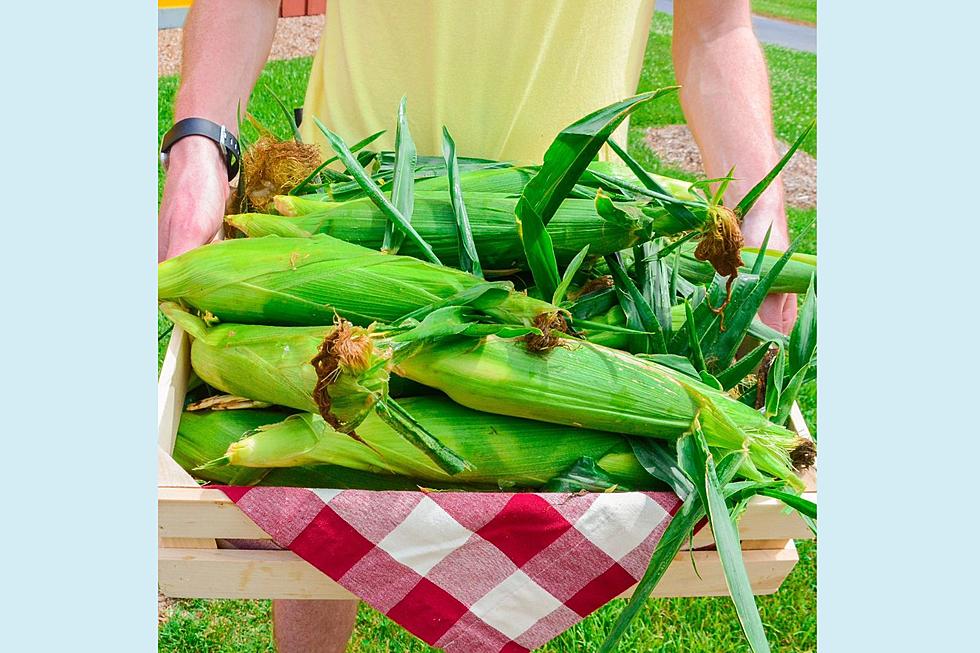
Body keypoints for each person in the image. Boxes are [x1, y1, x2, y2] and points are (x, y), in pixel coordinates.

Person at [158, 1, 797, 650]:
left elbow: (716, 25)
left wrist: (761, 202)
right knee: (315, 518)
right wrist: (199, 147)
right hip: (343, 216)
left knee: (514, 562)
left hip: (571, 259)